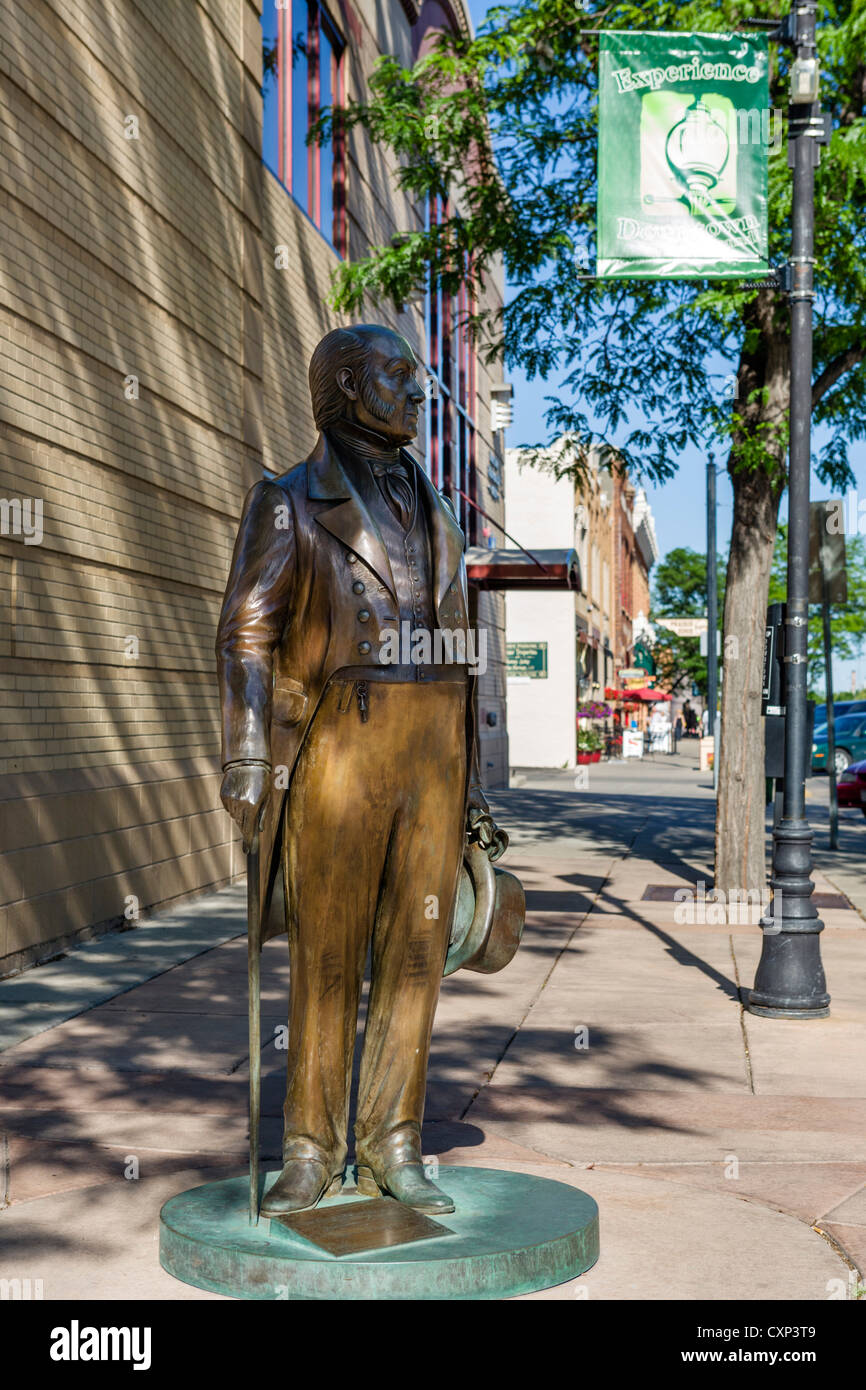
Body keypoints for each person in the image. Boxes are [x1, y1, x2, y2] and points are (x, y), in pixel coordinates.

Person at [216, 324, 506, 1218]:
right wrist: (249, 750)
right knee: (328, 950)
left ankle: (394, 1142)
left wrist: (474, 779)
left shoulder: (441, 508)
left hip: (434, 749)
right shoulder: (288, 500)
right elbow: (247, 630)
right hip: (343, 739)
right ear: (346, 387)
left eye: (419, 378)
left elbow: (460, 644)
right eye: (399, 377)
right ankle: (309, 1144)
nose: (420, 393)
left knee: (418, 952)